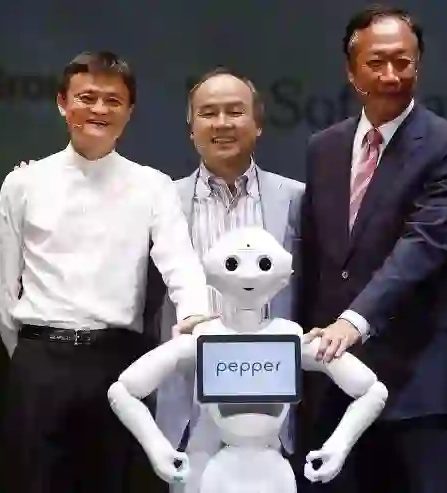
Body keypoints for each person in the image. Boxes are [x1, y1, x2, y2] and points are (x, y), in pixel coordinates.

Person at [0, 51, 213, 493]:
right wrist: (28, 357)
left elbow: (180, 263)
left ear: (129, 111)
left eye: (113, 100)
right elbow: (0, 286)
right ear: (62, 103)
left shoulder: (152, 185)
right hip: (40, 360)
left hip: (116, 362)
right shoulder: (24, 183)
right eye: (86, 97)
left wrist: (196, 317)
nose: (99, 109)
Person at [297, 6, 447, 493]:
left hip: (416, 378)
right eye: (377, 63)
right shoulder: (324, 147)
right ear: (351, 70)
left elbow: (423, 245)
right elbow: (317, 260)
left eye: (404, 61)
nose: (392, 75)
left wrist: (354, 321)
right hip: (334, 375)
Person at [144, 67, 304, 489]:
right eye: (208, 113)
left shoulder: (296, 199)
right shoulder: (162, 201)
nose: (222, 123)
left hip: (271, 402)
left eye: (235, 111)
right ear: (191, 128)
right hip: (189, 403)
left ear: (259, 123)